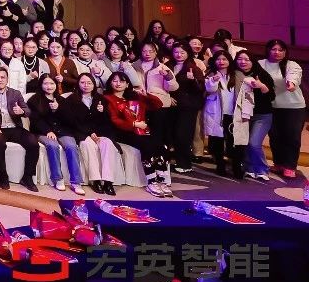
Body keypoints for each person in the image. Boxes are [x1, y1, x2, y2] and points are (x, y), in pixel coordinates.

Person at [105, 71, 171, 197]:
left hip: (141, 130)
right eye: (115, 81)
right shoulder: (108, 98)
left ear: (127, 84)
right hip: (123, 132)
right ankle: (151, 181)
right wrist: (134, 124)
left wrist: (147, 95)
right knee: (146, 146)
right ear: (110, 83)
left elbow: (158, 105)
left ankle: (162, 180)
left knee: (160, 145)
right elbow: (114, 120)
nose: (118, 84)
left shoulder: (135, 96)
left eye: (122, 81)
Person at [0, 66, 40, 191]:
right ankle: (3, 176)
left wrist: (22, 111)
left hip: (14, 127)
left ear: (7, 79)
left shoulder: (15, 93)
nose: (0, 80)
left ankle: (27, 177)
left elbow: (28, 111)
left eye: (3, 77)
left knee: (33, 143)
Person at [62, 72, 119, 195]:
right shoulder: (71, 100)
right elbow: (71, 121)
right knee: (88, 145)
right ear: (78, 84)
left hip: (100, 132)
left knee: (108, 144)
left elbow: (107, 121)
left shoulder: (101, 99)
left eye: (89, 83)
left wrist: (103, 112)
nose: (86, 85)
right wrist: (89, 133)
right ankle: (96, 180)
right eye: (82, 82)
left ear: (94, 84)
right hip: (81, 132)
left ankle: (108, 181)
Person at [28, 73, 82, 193]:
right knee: (52, 145)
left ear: (56, 85)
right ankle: (58, 179)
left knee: (71, 146)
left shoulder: (62, 100)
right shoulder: (34, 100)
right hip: (43, 132)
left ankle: (76, 182)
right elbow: (35, 120)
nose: (49, 86)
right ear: (41, 85)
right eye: (45, 83)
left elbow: (70, 120)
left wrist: (58, 109)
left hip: (62, 131)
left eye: (52, 83)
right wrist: (48, 131)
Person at [261, 39, 304, 180]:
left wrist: (291, 83)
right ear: (268, 50)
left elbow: (294, 76)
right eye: (274, 49)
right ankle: (279, 163)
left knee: (292, 136)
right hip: (271, 106)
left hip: (293, 106)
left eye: (280, 50)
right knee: (275, 136)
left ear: (285, 52)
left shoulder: (292, 65)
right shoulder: (261, 64)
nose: (277, 52)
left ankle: (290, 166)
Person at [202, 52, 248, 180]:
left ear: (229, 61)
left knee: (235, 142)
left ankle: (236, 167)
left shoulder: (238, 74)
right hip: (217, 112)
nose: (221, 62)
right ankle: (220, 165)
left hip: (234, 113)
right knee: (218, 141)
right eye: (218, 59)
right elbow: (209, 90)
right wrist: (213, 80)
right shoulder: (210, 74)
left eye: (224, 59)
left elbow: (246, 93)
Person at [237, 49, 277, 181]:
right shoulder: (234, 74)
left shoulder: (261, 74)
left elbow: (272, 96)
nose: (243, 62)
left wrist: (262, 86)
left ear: (253, 61)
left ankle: (262, 169)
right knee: (245, 143)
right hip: (242, 115)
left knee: (254, 143)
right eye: (239, 59)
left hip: (262, 115)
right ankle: (249, 168)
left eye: (246, 59)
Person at [168, 43, 205, 173]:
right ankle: (177, 161)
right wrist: (168, 97)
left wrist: (193, 79)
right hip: (172, 105)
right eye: (176, 52)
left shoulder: (194, 68)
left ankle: (185, 164)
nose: (179, 55)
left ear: (188, 53)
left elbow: (200, 89)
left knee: (183, 135)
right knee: (173, 134)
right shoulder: (167, 66)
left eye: (182, 52)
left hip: (188, 106)